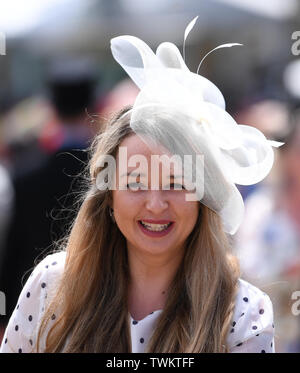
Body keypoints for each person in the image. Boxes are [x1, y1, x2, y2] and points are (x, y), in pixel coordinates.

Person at [0, 23, 279, 353]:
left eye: (176, 184)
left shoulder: (245, 313)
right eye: (136, 183)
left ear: (203, 195)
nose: (156, 203)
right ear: (109, 196)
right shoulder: (52, 286)